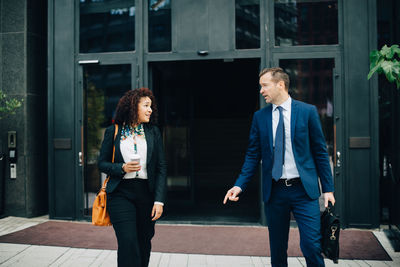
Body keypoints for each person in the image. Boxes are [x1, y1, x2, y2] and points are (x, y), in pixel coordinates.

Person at [223, 67, 335, 267]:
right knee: (277, 249)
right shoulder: (260, 117)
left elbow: (319, 152)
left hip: (304, 191)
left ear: (280, 85)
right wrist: (239, 185)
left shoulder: (307, 112)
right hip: (275, 192)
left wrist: (328, 189)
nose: (261, 90)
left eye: (264, 85)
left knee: (311, 245)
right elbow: (252, 155)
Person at [98, 88, 166, 267]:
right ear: (133, 107)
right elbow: (102, 163)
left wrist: (159, 201)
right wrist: (121, 167)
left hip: (146, 194)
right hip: (120, 193)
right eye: (145, 105)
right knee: (128, 242)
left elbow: (161, 168)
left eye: (151, 106)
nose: (150, 110)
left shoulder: (153, 132)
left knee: (144, 242)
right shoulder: (113, 131)